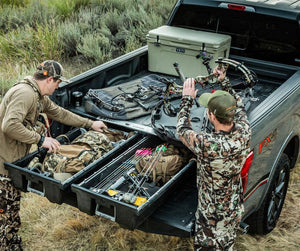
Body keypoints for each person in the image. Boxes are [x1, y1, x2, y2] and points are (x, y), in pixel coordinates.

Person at [0, 60, 107, 250]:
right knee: (5, 213)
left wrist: (89, 124)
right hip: (2, 165)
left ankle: (11, 243)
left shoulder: (38, 95)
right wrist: (40, 140)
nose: (58, 86)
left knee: (11, 211)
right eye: (57, 82)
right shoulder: (25, 94)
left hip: (10, 159)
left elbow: (59, 113)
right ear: (49, 79)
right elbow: (9, 126)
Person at [176, 66, 251, 250]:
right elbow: (239, 105)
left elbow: (182, 130)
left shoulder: (207, 144)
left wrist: (186, 99)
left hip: (212, 216)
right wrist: (223, 82)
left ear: (212, 116)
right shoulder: (244, 130)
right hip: (232, 207)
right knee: (228, 243)